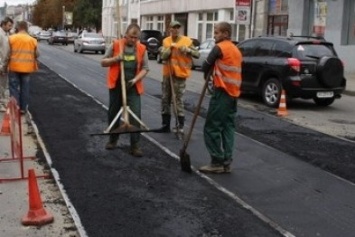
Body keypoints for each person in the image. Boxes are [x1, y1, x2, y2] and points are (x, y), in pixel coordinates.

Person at [198, 22, 243, 174]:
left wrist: (207, 72)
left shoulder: (220, 48)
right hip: (233, 94)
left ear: (225, 34)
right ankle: (227, 161)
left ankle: (216, 161)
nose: (214, 35)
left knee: (212, 127)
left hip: (222, 93)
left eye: (216, 32)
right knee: (228, 127)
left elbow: (205, 65)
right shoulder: (236, 49)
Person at [101, 23, 149, 157]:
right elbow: (103, 62)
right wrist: (116, 59)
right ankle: (113, 140)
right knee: (113, 113)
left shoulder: (141, 49)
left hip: (133, 87)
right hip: (117, 85)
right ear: (125, 35)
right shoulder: (116, 45)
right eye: (131, 37)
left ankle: (135, 145)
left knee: (136, 114)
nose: (133, 40)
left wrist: (135, 80)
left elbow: (146, 68)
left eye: (136, 38)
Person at [159, 20, 199, 133]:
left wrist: (188, 50)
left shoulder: (186, 41)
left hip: (180, 75)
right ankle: (165, 125)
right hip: (168, 74)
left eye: (178, 28)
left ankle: (179, 125)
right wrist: (169, 49)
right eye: (173, 28)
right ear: (169, 29)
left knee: (178, 100)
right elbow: (163, 56)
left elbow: (197, 54)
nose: (176, 30)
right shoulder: (166, 41)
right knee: (165, 99)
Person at [8, 21, 39, 114]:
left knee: (13, 88)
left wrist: (4, 65)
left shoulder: (11, 38)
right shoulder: (33, 40)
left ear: (18, 28)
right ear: (26, 28)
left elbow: (7, 54)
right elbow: (37, 54)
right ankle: (23, 109)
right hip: (27, 68)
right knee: (25, 88)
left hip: (14, 67)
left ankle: (14, 108)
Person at [0, 17, 13, 112]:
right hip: (1, 63)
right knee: (0, 85)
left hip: (5, 63)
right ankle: (0, 104)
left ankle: (2, 100)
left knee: (3, 84)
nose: (10, 27)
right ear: (3, 24)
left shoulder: (7, 34)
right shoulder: (0, 34)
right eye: (9, 25)